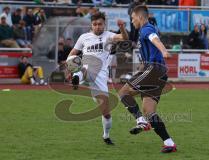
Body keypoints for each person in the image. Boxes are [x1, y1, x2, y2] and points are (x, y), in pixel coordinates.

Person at [118, 5, 177, 153]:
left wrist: (164, 50)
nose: (132, 22)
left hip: (154, 70)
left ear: (140, 17)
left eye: (132, 18)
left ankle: (140, 121)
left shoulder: (146, 29)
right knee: (149, 111)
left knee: (123, 93)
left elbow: (155, 39)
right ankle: (169, 143)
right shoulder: (143, 31)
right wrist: (140, 70)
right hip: (158, 73)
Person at [68, 12, 128, 145]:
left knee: (106, 113)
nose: (97, 27)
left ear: (104, 24)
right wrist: (69, 66)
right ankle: (76, 77)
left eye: (100, 24)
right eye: (94, 24)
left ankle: (106, 135)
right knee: (84, 67)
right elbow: (73, 53)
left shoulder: (109, 36)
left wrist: (122, 27)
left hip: (101, 76)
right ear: (91, 25)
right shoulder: (84, 37)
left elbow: (124, 37)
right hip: (87, 68)